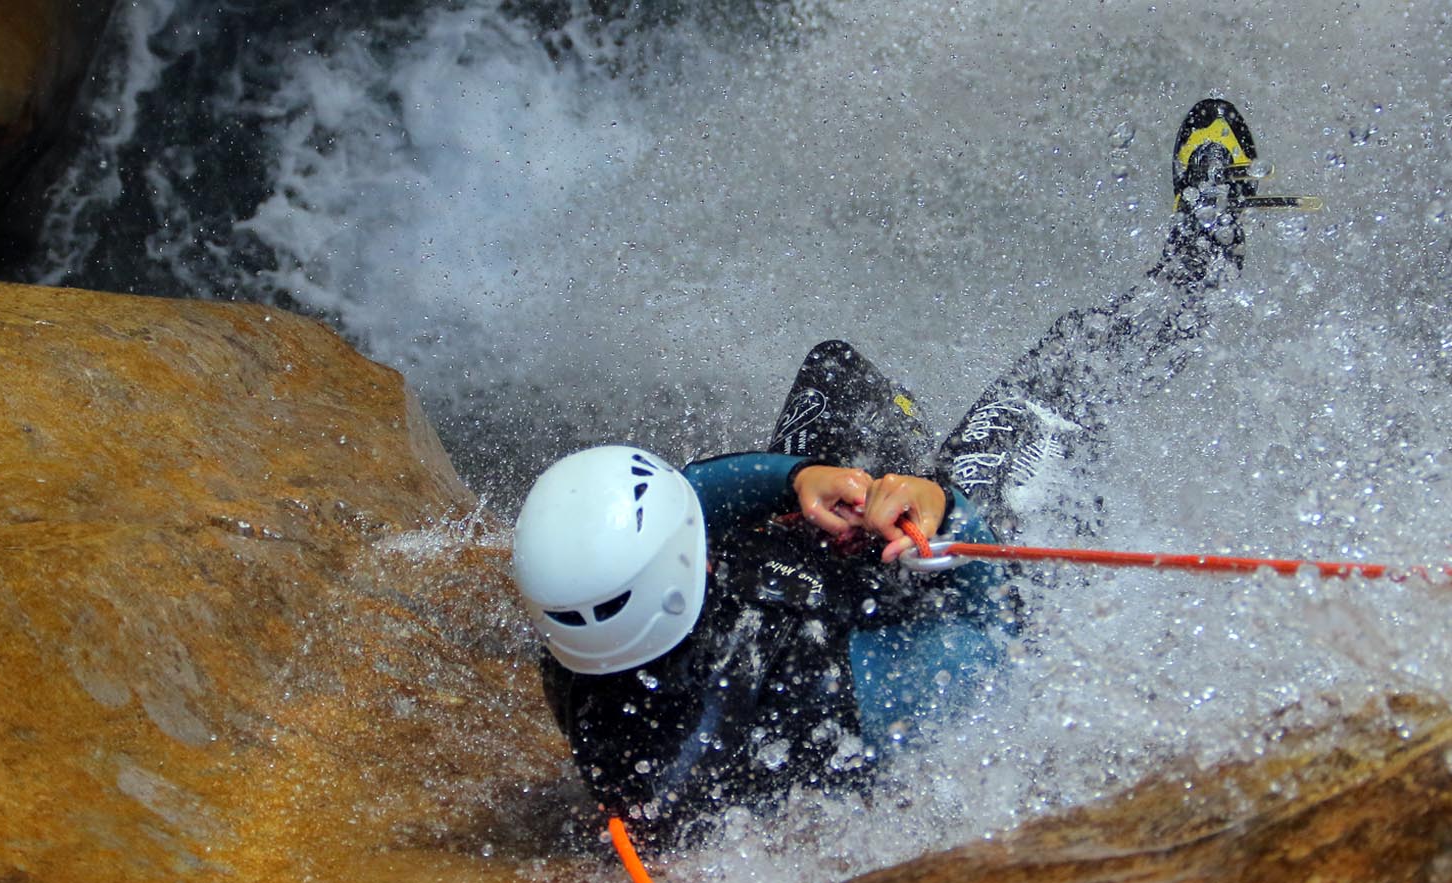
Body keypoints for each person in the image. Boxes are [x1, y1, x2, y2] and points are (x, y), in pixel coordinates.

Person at [511, 99, 1309, 843]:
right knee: (1070, 369)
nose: (698, 515)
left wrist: (795, 481)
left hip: (841, 561)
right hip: (964, 580)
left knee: (832, 373)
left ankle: (905, 462)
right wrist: (946, 507)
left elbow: (692, 492)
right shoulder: (840, 690)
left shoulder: (590, 660)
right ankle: (1204, 254)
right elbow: (989, 644)